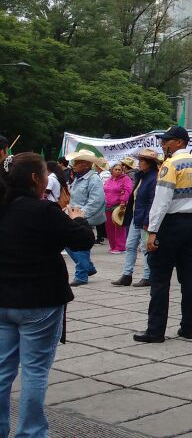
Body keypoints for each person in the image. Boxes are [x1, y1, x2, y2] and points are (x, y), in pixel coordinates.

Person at [0, 153, 96, 438]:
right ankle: (30, 432)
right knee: (35, 371)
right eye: (44, 175)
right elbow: (82, 240)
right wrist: (78, 218)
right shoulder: (44, 211)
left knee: (3, 370)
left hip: (4, 299)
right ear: (34, 179)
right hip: (39, 301)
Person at [133, 126, 192, 343]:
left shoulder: (170, 164)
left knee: (160, 279)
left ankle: (155, 330)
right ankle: (189, 327)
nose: (163, 145)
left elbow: (162, 200)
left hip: (171, 225)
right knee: (189, 278)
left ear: (178, 142)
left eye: (166, 141)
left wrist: (152, 231)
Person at [113, 148, 163, 287]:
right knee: (130, 245)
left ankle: (147, 276)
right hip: (137, 216)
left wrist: (148, 221)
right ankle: (127, 275)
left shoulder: (153, 178)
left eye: (142, 160)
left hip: (144, 218)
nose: (139, 163)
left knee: (145, 247)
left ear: (149, 163)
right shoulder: (142, 176)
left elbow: (152, 202)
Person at [65, 150, 104, 285]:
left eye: (76, 162)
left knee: (80, 245)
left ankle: (81, 275)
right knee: (69, 242)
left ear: (86, 165)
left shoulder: (93, 179)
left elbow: (96, 200)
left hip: (84, 217)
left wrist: (81, 215)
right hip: (76, 215)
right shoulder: (78, 177)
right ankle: (88, 267)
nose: (73, 165)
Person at [102, 158, 133, 254]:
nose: (118, 171)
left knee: (119, 227)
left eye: (119, 169)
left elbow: (128, 190)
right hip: (107, 206)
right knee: (109, 227)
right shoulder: (109, 180)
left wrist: (123, 201)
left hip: (118, 206)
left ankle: (120, 247)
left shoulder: (125, 179)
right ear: (112, 170)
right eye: (116, 169)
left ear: (122, 170)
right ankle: (113, 246)